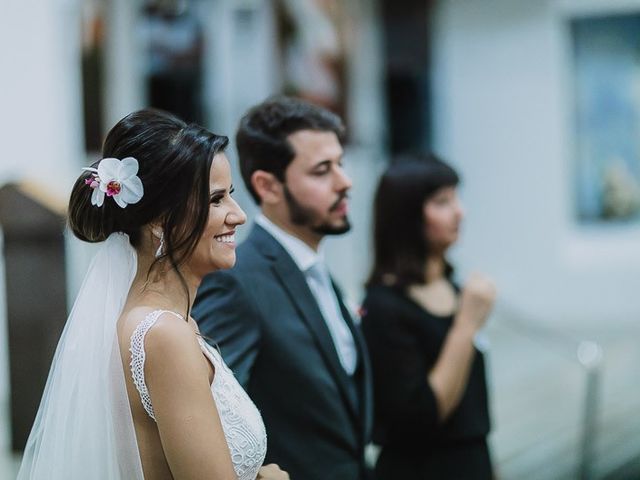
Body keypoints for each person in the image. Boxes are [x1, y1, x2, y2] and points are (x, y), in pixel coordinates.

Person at [18, 109, 288, 480]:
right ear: (160, 220)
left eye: (232, 196)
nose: (238, 215)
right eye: (216, 200)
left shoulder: (173, 322)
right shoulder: (163, 335)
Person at [193, 96, 372, 480]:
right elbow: (211, 418)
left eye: (340, 164)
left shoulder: (318, 269)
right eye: (323, 170)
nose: (345, 182)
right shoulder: (236, 282)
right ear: (268, 186)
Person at [361, 155, 496, 479]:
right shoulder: (384, 306)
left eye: (456, 197)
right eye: (442, 201)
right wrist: (465, 325)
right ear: (406, 215)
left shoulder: (452, 286)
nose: (459, 211)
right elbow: (423, 416)